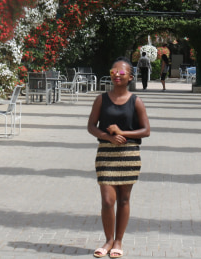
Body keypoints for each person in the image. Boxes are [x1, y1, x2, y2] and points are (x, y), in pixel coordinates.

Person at [87, 58, 151, 259]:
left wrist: (122, 132)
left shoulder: (136, 101)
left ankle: (118, 241)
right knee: (107, 200)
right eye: (113, 71)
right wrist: (107, 136)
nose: (116, 74)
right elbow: (91, 126)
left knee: (123, 199)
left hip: (129, 155)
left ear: (130, 77)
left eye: (121, 73)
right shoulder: (101, 99)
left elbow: (146, 131)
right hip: (106, 153)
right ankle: (107, 240)